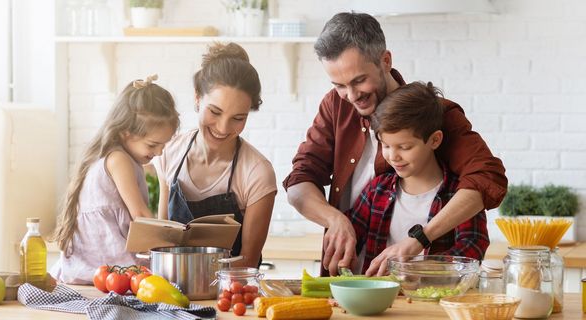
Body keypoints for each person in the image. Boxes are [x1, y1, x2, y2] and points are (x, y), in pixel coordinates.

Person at [283, 12, 507, 276]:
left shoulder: (433, 113)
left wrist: (420, 241)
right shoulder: (335, 105)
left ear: (385, 61)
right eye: (339, 85)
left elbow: (487, 177)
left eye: (358, 81)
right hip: (354, 277)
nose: (351, 96)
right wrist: (335, 220)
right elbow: (299, 181)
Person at [153, 42, 277, 268]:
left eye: (238, 118)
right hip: (172, 292)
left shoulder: (257, 172)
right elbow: (163, 243)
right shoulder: (169, 152)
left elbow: (248, 262)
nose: (222, 127)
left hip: (231, 294)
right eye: (215, 112)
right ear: (198, 97)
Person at [348, 81, 490, 276]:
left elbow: (473, 247)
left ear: (434, 140)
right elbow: (351, 237)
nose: (393, 156)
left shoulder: (460, 195)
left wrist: (418, 269)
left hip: (434, 300)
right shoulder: (376, 190)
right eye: (386, 145)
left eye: (404, 147)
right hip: (379, 300)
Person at [50, 75, 180, 283]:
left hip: (94, 264)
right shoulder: (119, 159)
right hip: (105, 263)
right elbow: (139, 214)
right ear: (125, 133)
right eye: (152, 144)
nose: (159, 152)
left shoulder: (117, 156)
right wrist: (168, 244)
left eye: (163, 145)